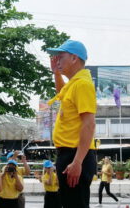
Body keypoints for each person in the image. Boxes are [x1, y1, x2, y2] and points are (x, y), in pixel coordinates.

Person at [47, 39, 97, 208]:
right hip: (69, 155)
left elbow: (89, 124)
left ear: (74, 58)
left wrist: (77, 162)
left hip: (74, 156)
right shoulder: (74, 84)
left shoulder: (82, 84)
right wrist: (56, 73)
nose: (57, 61)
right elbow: (62, 92)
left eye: (61, 57)